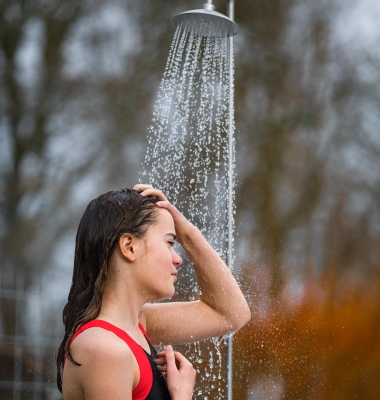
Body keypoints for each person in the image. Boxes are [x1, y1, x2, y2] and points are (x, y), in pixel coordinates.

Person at [56, 184, 251, 400]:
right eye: (169, 242)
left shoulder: (137, 324)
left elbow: (231, 314)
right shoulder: (105, 349)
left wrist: (187, 232)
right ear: (129, 247)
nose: (178, 258)